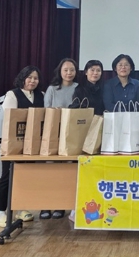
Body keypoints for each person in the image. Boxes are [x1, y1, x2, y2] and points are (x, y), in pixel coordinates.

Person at [0, 66, 44, 227]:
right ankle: (0, 212)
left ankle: (21, 208)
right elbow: (9, 118)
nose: (32, 81)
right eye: (29, 77)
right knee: (7, 177)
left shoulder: (41, 95)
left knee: (26, 175)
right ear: (23, 78)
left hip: (33, 144)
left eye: (36, 78)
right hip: (13, 143)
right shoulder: (12, 94)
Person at [42, 58, 79, 220]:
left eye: (72, 70)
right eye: (66, 70)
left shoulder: (78, 88)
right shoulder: (52, 89)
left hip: (71, 134)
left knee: (66, 170)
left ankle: (61, 205)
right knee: (50, 169)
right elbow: (46, 111)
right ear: (60, 71)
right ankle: (45, 205)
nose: (69, 73)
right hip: (53, 133)